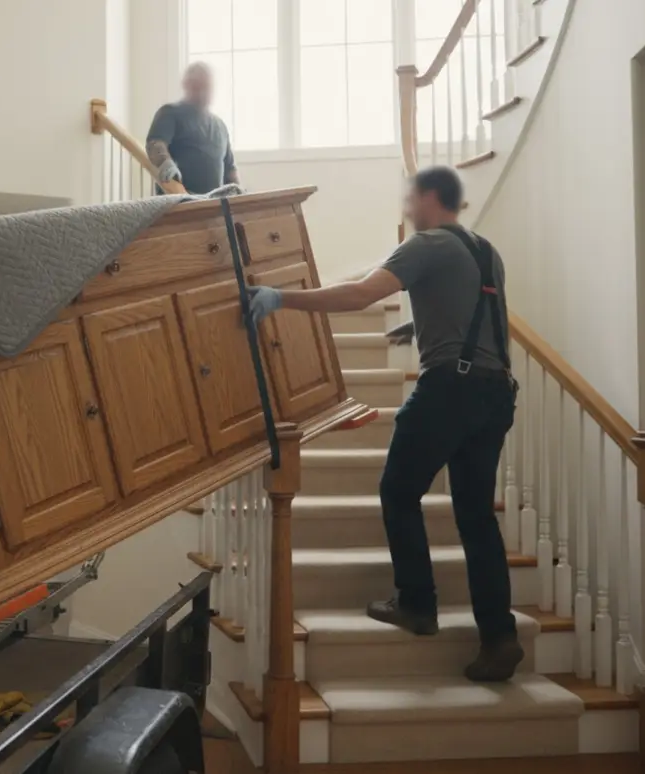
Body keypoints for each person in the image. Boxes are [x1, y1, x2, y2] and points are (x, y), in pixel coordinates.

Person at [247, 166, 522, 682]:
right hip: (495, 393)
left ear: (431, 197)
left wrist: (282, 299)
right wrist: (419, 324)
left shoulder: (426, 244)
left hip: (448, 391)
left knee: (398, 490)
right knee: (476, 518)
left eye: (411, 198)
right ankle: (499, 636)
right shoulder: (485, 250)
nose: (407, 207)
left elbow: (359, 295)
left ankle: (417, 602)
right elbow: (481, 314)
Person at [145, 62, 241, 195]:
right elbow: (155, 144)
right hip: (178, 200)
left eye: (206, 86)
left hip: (214, 204)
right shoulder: (170, 113)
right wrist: (165, 164)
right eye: (197, 85)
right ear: (186, 85)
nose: (202, 91)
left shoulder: (221, 126)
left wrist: (239, 194)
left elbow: (230, 169)